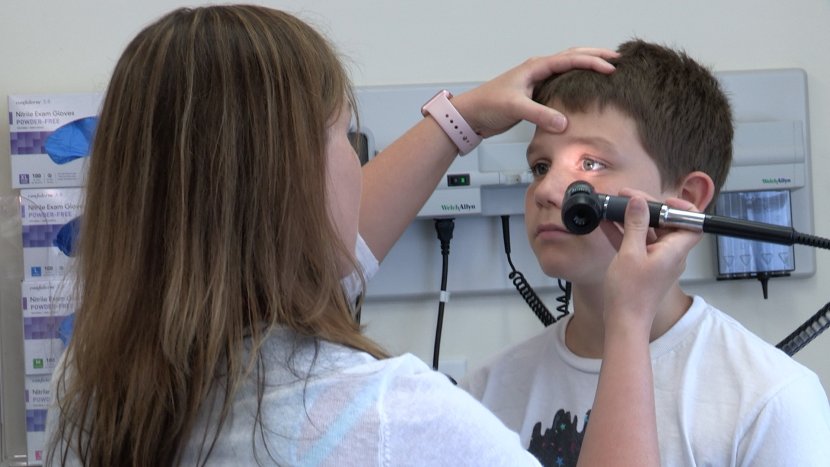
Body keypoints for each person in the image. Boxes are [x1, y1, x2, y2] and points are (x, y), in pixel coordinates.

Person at [42, 6, 689, 465]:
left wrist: (459, 119)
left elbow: (300, 267)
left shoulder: (92, 393)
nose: (551, 189)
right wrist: (627, 323)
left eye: (589, 165)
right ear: (291, 181)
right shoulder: (391, 417)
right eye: (345, 137)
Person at [460, 39, 830, 466]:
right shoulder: (484, 393)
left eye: (591, 164)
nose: (545, 190)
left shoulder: (771, 401)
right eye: (540, 166)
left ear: (684, 197)